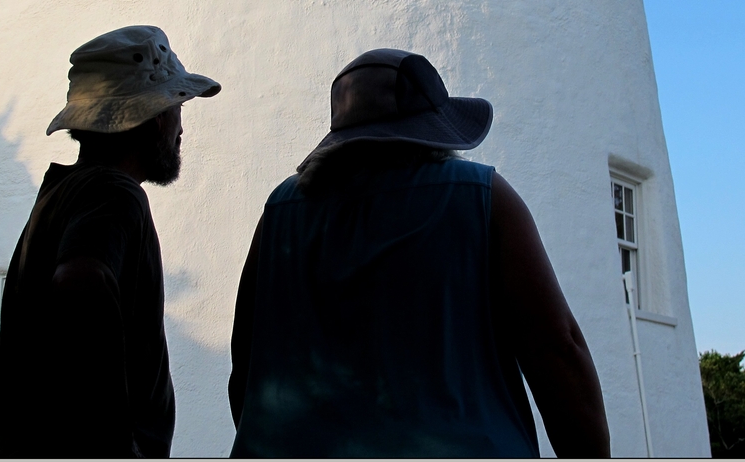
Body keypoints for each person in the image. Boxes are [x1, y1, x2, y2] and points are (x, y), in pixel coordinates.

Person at [228, 48, 610, 458]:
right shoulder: (482, 197)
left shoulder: (279, 212)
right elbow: (558, 350)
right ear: (433, 129)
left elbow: (246, 367)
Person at [0, 25, 221, 458]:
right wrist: (117, 442)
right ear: (154, 119)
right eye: (176, 106)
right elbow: (80, 280)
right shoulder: (115, 193)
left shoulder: (65, 191)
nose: (180, 129)